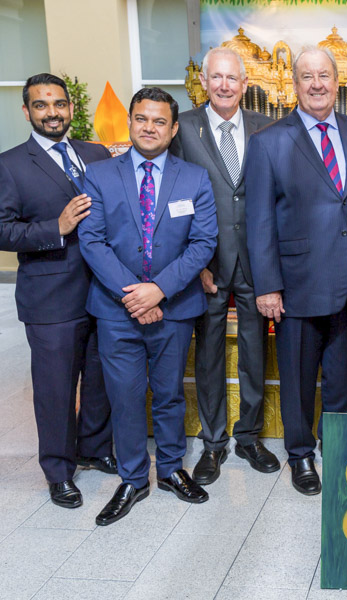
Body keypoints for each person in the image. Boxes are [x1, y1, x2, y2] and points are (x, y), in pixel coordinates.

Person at [245, 47, 347, 495]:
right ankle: (301, 454)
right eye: (307, 76)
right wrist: (267, 285)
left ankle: (340, 446)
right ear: (294, 84)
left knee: (344, 377)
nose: (317, 84)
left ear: (337, 80)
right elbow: (259, 221)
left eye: (324, 75)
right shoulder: (269, 141)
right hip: (297, 284)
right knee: (299, 379)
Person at [79, 87, 218, 525]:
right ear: (130, 122)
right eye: (142, 119)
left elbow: (203, 243)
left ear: (173, 129)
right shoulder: (99, 175)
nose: (149, 128)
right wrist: (135, 295)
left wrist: (158, 290)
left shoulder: (194, 178)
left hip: (174, 307)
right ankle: (133, 478)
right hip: (115, 309)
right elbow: (92, 241)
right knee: (125, 397)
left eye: (160, 121)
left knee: (170, 394)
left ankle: (172, 469)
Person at [0, 73, 115, 509]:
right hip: (50, 299)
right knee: (55, 389)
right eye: (41, 105)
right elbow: (3, 230)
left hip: (104, 291)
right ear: (27, 111)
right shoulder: (10, 164)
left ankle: (94, 448)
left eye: (59, 104)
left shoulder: (96, 154)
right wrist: (57, 227)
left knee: (100, 379)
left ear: (71, 107)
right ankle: (58, 470)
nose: (52, 113)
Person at [170, 47, 276, 485]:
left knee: (255, 353)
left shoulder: (266, 127)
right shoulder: (183, 128)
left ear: (245, 84)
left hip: (256, 262)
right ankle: (213, 443)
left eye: (233, 78)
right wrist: (192, 263)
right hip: (206, 265)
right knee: (210, 356)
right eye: (217, 77)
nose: (224, 86)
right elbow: (173, 199)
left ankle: (249, 436)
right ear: (204, 81)